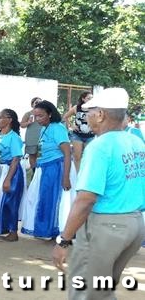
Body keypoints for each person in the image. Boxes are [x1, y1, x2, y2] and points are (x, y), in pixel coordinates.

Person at [52, 88, 145, 300]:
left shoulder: (99, 147)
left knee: (85, 292)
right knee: (103, 290)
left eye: (90, 112)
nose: (87, 117)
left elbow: (85, 200)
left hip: (106, 228)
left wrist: (64, 240)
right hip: (134, 225)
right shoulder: (136, 143)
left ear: (101, 115)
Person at [21, 100, 72, 239]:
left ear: (49, 114)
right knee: (37, 198)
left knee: (50, 199)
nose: (37, 119)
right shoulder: (44, 128)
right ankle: (42, 229)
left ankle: (51, 231)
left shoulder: (58, 128)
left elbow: (67, 153)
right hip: (43, 166)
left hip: (54, 167)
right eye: (35, 116)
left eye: (40, 116)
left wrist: (66, 177)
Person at [0, 109, 25, 242]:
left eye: (1, 117)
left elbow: (15, 159)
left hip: (9, 170)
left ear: (10, 120)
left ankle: (13, 232)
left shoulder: (14, 137)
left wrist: (8, 179)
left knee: (10, 201)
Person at [62, 91, 94, 170]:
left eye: (92, 98)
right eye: (88, 98)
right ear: (83, 99)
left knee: (89, 156)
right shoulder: (77, 108)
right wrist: (72, 125)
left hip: (90, 136)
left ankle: (86, 174)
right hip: (77, 135)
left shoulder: (95, 108)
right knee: (77, 156)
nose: (90, 100)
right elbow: (65, 117)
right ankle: (78, 175)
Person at [20, 97, 43, 169]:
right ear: (32, 105)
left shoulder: (44, 114)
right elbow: (22, 125)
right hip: (31, 139)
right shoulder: (28, 114)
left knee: (42, 156)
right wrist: (28, 122)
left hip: (42, 139)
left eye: (40, 102)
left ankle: (40, 172)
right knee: (32, 157)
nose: (38, 104)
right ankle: (34, 172)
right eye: (36, 102)